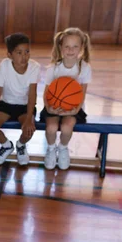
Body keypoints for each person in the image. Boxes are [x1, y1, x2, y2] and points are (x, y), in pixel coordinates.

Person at [41, 27, 92, 170]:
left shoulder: (84, 67)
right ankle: (51, 150)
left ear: (81, 47)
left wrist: (74, 110)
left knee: (66, 127)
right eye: (67, 46)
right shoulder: (54, 68)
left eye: (75, 46)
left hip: (74, 108)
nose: (71, 50)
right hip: (53, 106)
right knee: (51, 128)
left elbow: (82, 93)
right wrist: (49, 108)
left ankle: (63, 148)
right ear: (61, 47)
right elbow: (46, 93)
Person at [0, 33, 40, 166]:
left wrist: (28, 119)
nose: (24, 56)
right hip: (6, 105)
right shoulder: (4, 65)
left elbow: (32, 94)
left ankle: (21, 145)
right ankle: (6, 145)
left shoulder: (34, 67)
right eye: (19, 52)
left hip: (24, 106)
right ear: (10, 55)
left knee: (28, 131)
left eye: (27, 52)